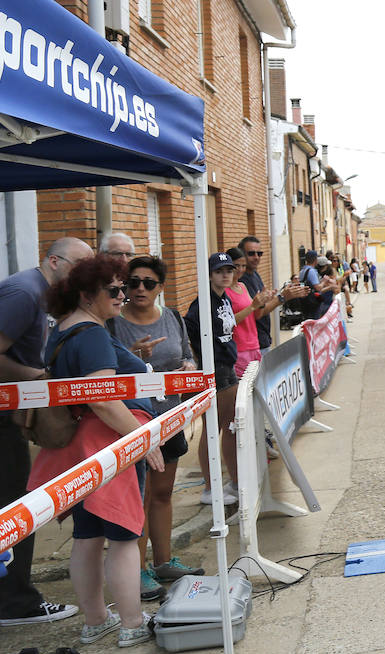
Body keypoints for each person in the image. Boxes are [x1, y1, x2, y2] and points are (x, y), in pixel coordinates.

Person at [30, 254, 163, 647]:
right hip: (108, 441)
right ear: (88, 296)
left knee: (87, 535)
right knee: (124, 535)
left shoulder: (63, 330)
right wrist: (143, 441)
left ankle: (95, 620)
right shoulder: (90, 334)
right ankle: (132, 623)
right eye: (115, 289)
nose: (124, 295)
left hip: (83, 444)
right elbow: (103, 399)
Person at [0, 237, 90, 628]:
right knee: (13, 505)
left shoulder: (40, 293)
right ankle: (19, 604)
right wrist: (40, 379)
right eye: (79, 265)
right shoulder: (24, 293)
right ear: (54, 261)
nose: (84, 274)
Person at [110, 256, 205, 600]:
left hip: (170, 419)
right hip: (134, 424)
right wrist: (133, 354)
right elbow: (108, 374)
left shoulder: (173, 318)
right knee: (141, 497)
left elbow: (188, 355)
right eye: (133, 282)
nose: (139, 289)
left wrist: (189, 365)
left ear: (160, 288)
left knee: (163, 494)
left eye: (148, 283)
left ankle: (164, 562)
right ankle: (138, 571)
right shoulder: (114, 326)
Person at [185, 253, 241, 506]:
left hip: (228, 366)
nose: (225, 275)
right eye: (219, 271)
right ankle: (209, 488)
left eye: (228, 270)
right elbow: (192, 334)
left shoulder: (223, 298)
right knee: (213, 429)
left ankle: (233, 481)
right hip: (215, 370)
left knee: (231, 426)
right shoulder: (202, 305)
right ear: (209, 275)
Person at [238, 236, 307, 354]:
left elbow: (261, 306)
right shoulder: (242, 281)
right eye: (251, 253)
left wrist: (274, 296)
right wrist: (282, 298)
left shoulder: (254, 274)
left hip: (262, 340)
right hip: (252, 345)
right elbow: (257, 313)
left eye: (259, 253)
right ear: (242, 254)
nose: (256, 257)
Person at [226, 248, 273, 378]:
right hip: (239, 348)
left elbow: (255, 316)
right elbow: (229, 321)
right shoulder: (224, 292)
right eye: (236, 266)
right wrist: (253, 306)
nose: (240, 270)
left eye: (243, 266)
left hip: (254, 345)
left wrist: (262, 302)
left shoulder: (242, 286)